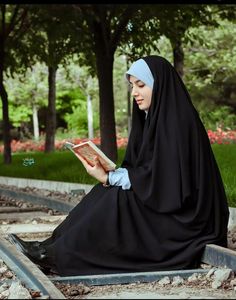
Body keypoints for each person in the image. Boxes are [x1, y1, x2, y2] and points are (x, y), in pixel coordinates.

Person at [8, 55, 229, 276]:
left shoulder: (178, 121)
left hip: (189, 219)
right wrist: (110, 174)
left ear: (159, 85)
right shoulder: (155, 118)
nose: (134, 93)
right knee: (104, 191)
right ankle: (49, 247)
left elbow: (167, 180)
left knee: (117, 199)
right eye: (132, 86)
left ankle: (61, 256)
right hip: (168, 201)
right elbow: (150, 170)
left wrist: (111, 177)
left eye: (141, 85)